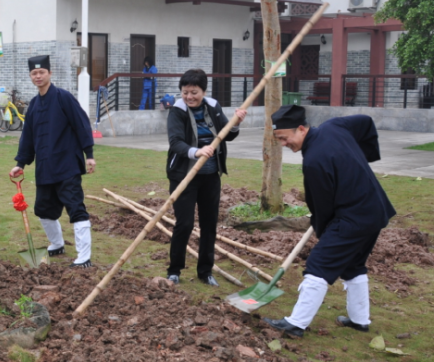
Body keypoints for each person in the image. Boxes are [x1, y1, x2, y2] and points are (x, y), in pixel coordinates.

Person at [262, 105, 396, 338]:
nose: (283, 144)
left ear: (301, 129)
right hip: (375, 211)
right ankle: (359, 320)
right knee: (353, 265)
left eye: (284, 138)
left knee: (319, 264)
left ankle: (296, 324)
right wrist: (362, 156)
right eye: (279, 140)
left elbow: (322, 207)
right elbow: (365, 121)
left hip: (354, 217)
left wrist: (324, 232)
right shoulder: (334, 126)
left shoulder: (314, 160)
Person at [9, 55, 96, 268]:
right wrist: (20, 163)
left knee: (75, 208)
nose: (38, 76)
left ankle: (84, 257)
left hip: (67, 165)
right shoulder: (33, 105)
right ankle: (57, 244)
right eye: (34, 73)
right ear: (30, 76)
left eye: (42, 72)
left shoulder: (64, 97)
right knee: (43, 209)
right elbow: (28, 137)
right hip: (45, 167)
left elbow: (82, 124)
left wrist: (89, 155)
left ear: (50, 73)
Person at [165, 69, 247, 286]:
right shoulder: (177, 110)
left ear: (203, 91)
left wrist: (236, 123)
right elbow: (176, 142)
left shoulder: (213, 106)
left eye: (194, 92)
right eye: (185, 92)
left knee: (209, 224)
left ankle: (205, 271)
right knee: (184, 224)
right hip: (184, 176)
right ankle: (174, 270)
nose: (189, 97)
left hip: (210, 176)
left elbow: (227, 135)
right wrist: (197, 151)